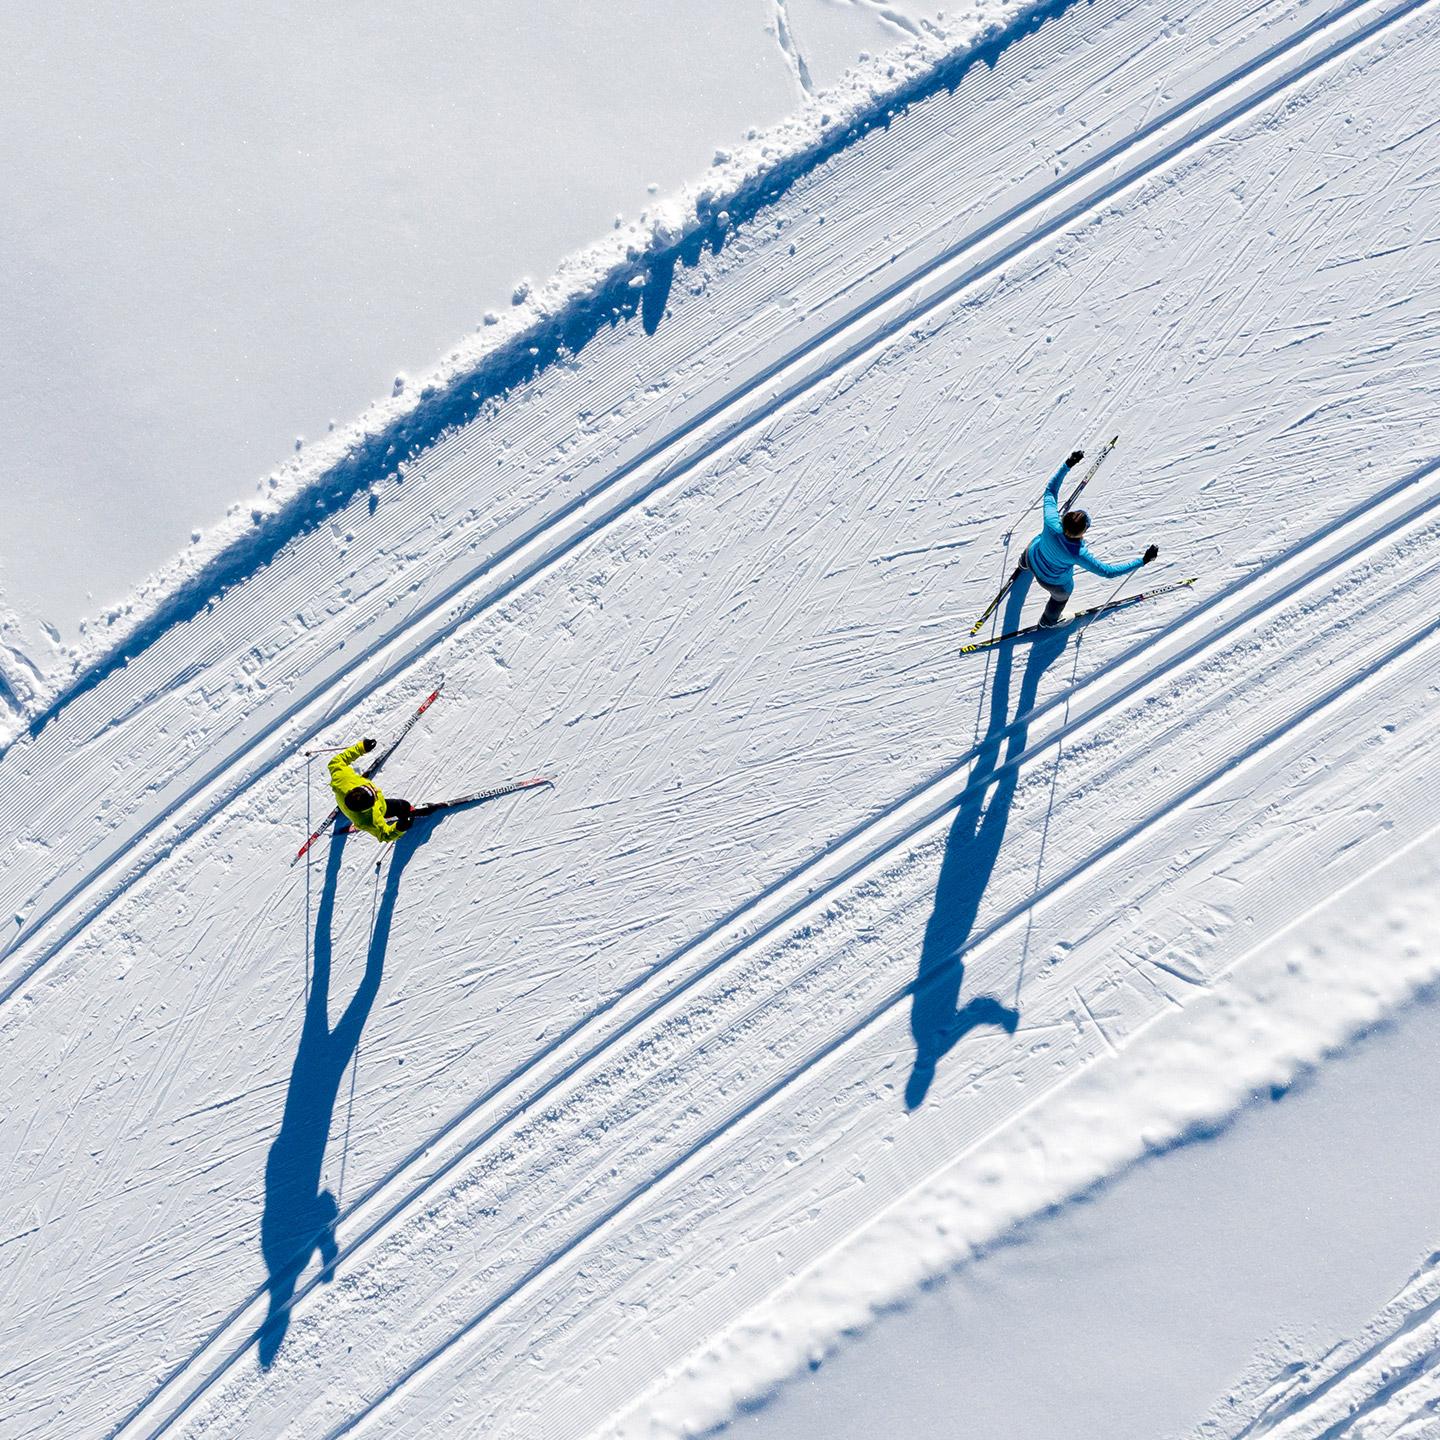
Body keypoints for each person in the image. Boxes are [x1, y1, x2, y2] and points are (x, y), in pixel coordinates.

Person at [1021, 449, 1159, 626]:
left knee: (1033, 544)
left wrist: (1068, 464)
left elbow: (1050, 491)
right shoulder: (1078, 553)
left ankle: (1022, 564)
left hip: (1033, 558)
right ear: (1082, 533)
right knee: (1063, 594)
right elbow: (1108, 572)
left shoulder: (1051, 522)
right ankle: (1048, 621)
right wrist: (1143, 561)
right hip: (1053, 582)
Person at [327, 738, 414, 842]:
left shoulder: (342, 779)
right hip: (380, 808)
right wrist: (400, 828)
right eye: (374, 798)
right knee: (403, 806)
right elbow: (384, 835)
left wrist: (360, 748)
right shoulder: (370, 820)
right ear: (367, 809)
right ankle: (408, 811)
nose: (376, 791)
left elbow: (336, 762)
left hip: (344, 804)